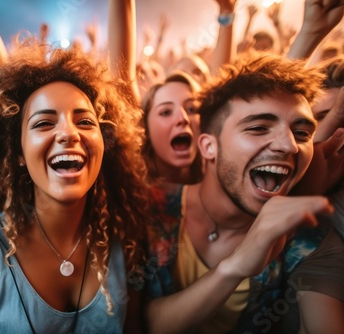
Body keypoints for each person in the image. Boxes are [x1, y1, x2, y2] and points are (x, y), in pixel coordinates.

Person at [0, 40, 150, 333]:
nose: (68, 133)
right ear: (17, 152)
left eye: (84, 122)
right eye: (43, 124)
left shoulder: (125, 240)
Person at [144, 54, 344, 333]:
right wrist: (235, 267)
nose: (289, 146)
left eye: (301, 133)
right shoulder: (147, 209)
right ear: (208, 146)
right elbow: (141, 322)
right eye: (259, 128)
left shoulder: (309, 238)